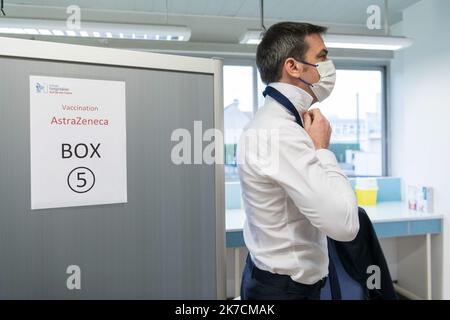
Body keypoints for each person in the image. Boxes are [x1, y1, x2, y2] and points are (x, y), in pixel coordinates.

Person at [237, 21, 360, 300]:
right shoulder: (281, 133)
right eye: (322, 57)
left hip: (271, 280)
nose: (329, 66)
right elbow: (345, 225)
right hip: (285, 290)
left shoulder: (269, 123)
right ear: (293, 67)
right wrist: (322, 149)